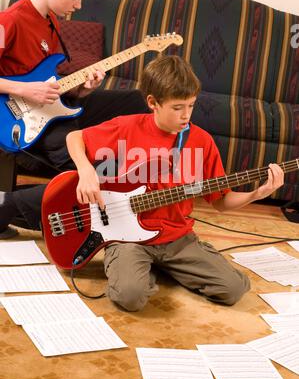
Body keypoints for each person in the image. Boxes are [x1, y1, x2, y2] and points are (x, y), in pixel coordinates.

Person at [61, 55, 284, 311]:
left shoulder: (202, 141)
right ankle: (142, 269)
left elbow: (221, 202)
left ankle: (165, 267)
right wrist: (86, 170)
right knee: (129, 297)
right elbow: (74, 137)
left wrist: (256, 194)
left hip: (178, 238)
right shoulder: (127, 127)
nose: (186, 115)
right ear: (153, 103)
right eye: (177, 107)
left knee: (233, 289)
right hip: (128, 239)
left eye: (191, 105)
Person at [0, 0, 147, 213]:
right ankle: (19, 210)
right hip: (21, 115)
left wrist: (83, 91)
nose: (78, 6)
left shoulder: (51, 21)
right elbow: (32, 87)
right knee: (84, 162)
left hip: (54, 102)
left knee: (135, 101)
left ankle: (131, 184)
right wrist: (25, 89)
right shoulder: (8, 21)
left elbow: (52, 78)